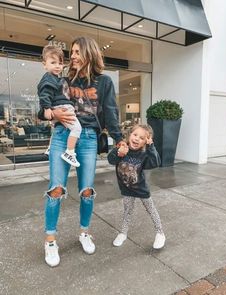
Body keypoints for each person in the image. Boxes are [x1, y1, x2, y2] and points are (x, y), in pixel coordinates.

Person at [40, 37, 126, 267]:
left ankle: (84, 232)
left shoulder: (104, 82)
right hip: (61, 136)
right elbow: (43, 108)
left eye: (78, 52)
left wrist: (119, 140)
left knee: (87, 191)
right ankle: (50, 240)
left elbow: (110, 113)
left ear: (89, 53)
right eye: (73, 52)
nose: (73, 56)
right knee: (56, 189)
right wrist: (53, 114)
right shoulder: (62, 78)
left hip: (88, 138)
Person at [107, 124, 166, 249]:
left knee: (151, 210)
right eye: (135, 135)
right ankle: (123, 233)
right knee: (127, 211)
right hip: (126, 189)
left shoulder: (144, 154)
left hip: (141, 190)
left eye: (142, 138)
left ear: (145, 142)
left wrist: (151, 146)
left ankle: (160, 233)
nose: (137, 138)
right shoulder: (122, 148)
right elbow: (111, 160)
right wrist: (119, 153)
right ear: (129, 135)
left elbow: (155, 163)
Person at [38, 45, 81, 167]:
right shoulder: (49, 79)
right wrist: (47, 108)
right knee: (77, 129)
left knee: (55, 130)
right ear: (44, 64)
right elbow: (44, 94)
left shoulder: (56, 78)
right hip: (62, 108)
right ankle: (69, 152)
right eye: (53, 62)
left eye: (60, 63)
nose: (57, 66)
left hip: (60, 107)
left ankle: (50, 148)